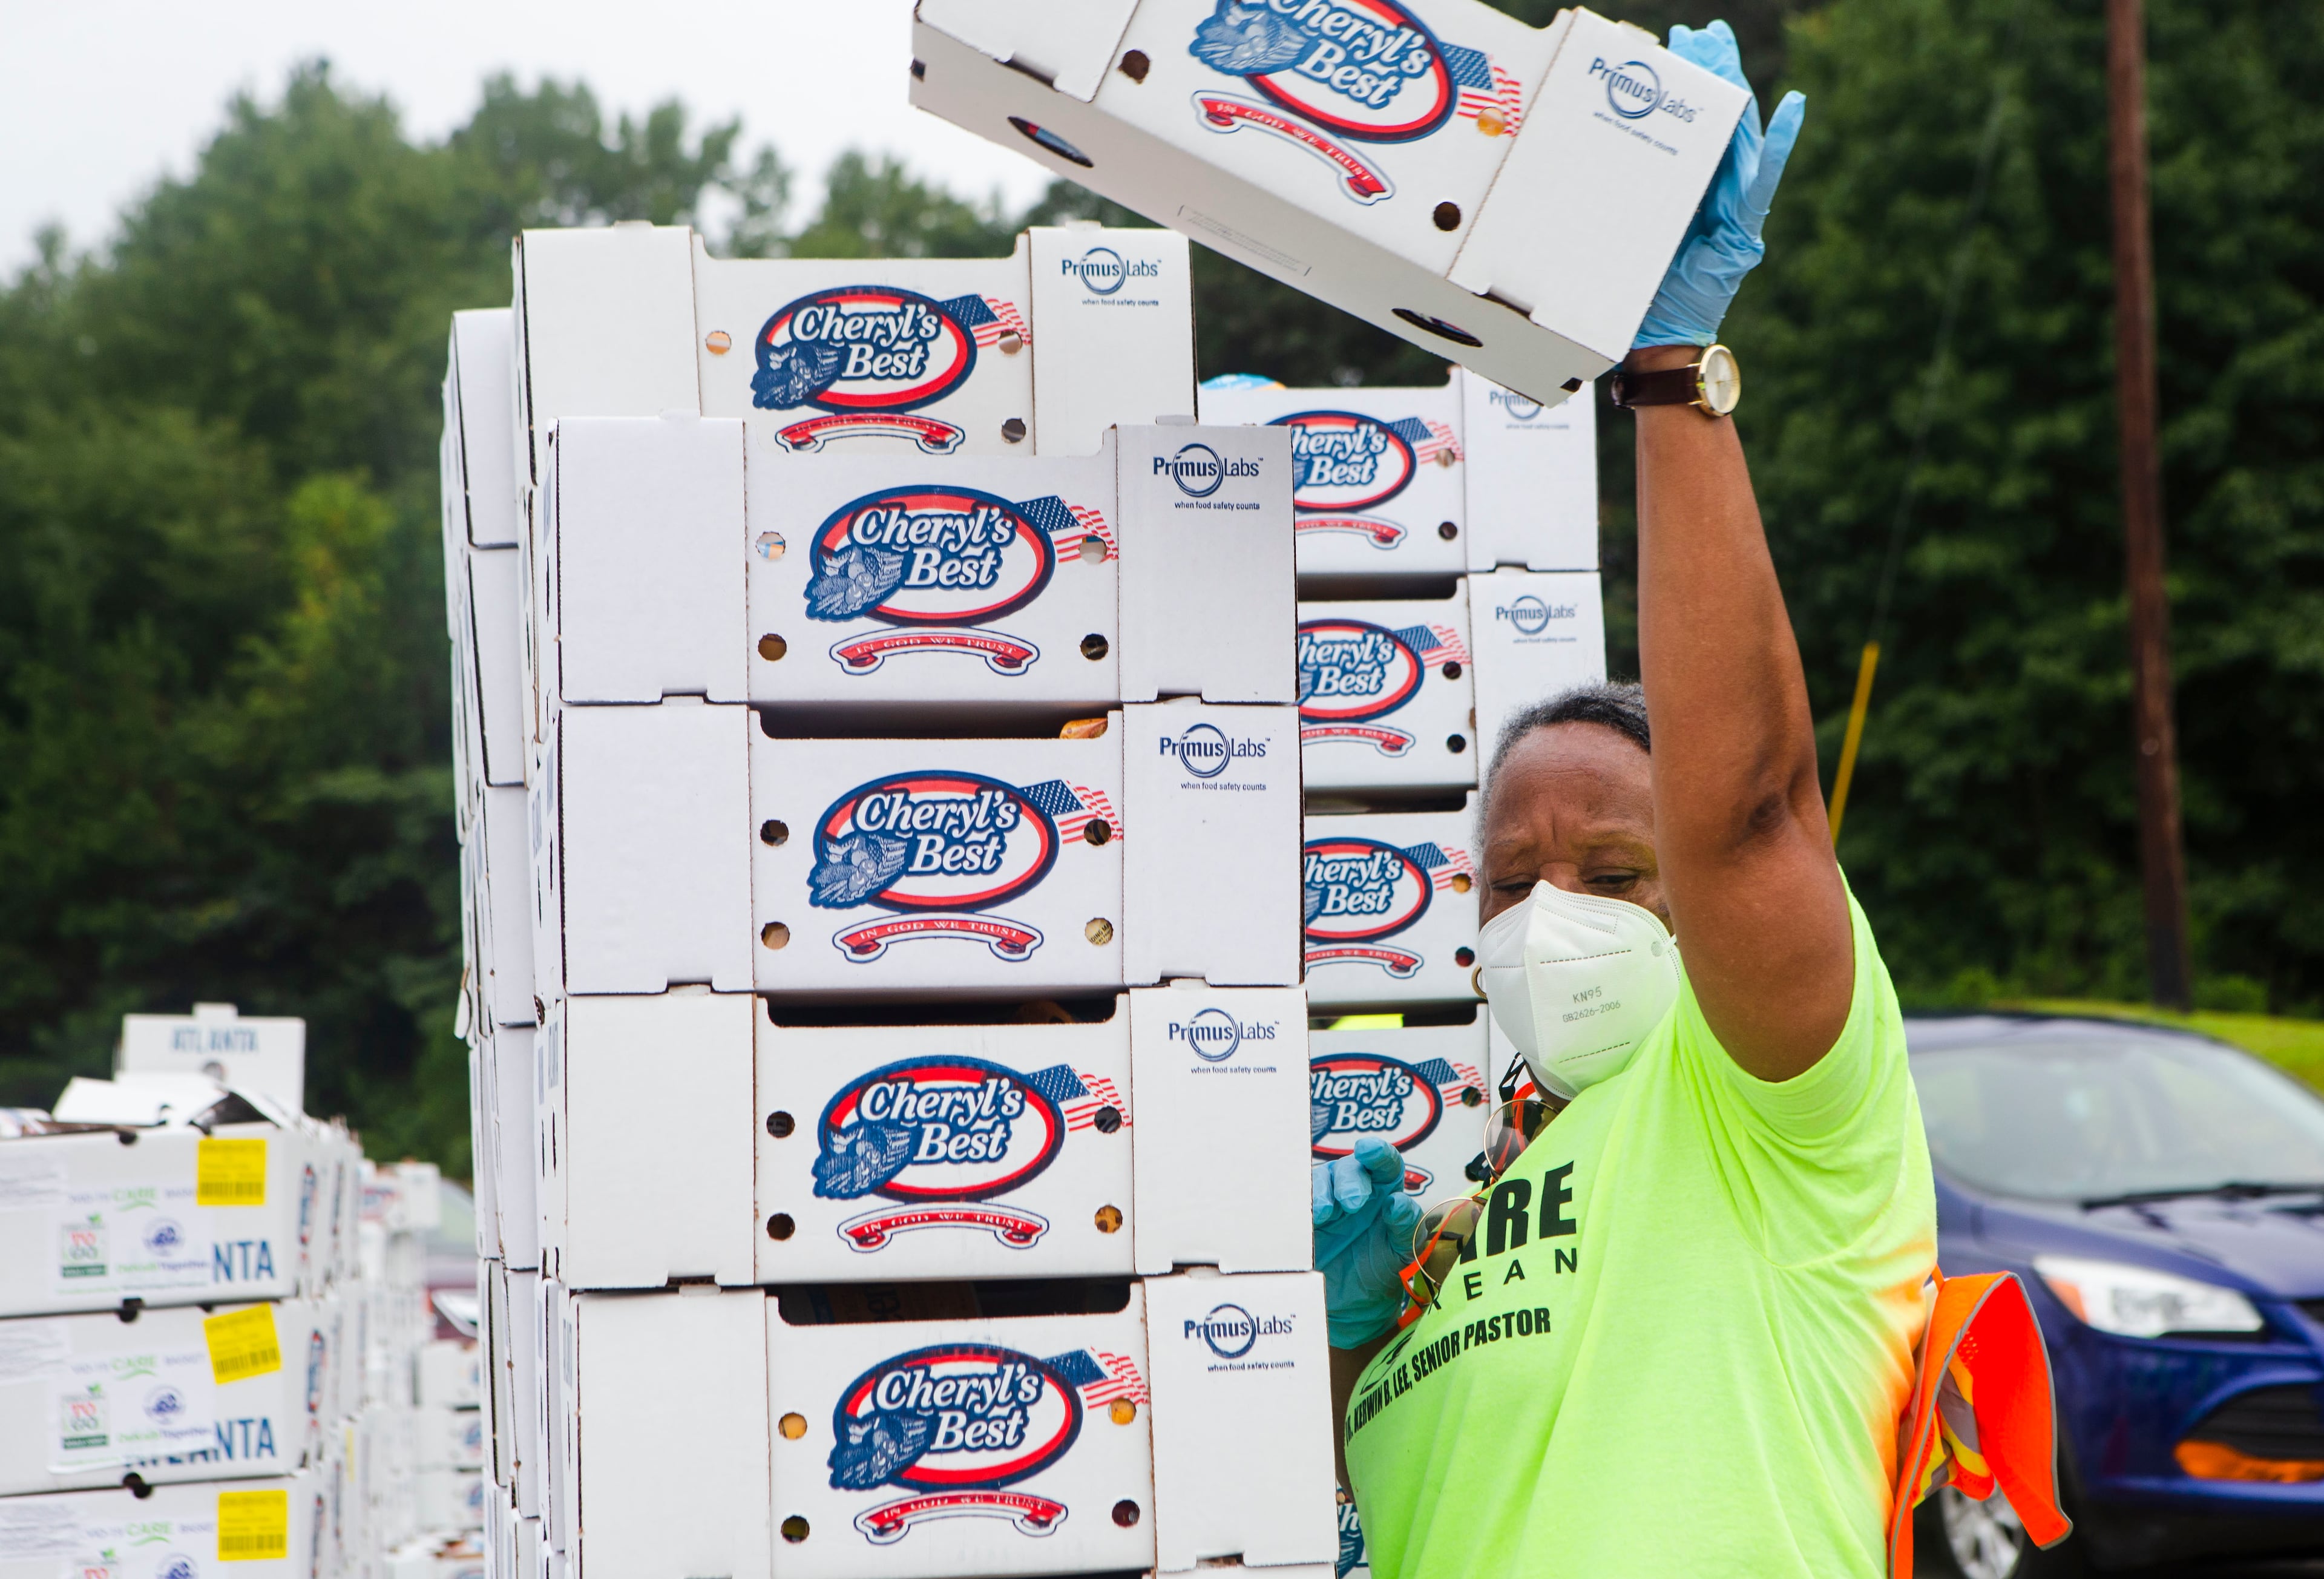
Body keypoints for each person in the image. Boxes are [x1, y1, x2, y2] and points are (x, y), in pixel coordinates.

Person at [1316, 22, 1937, 1578]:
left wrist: (1670, 377)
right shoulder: (1466, 1205)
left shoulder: (1775, 1107)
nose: (1553, 917)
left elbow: (1745, 812)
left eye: (1614, 869)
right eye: (1513, 884)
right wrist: (1350, 1335)